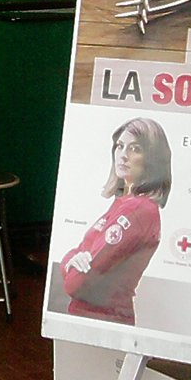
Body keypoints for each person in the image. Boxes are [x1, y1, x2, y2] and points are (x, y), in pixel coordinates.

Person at [60, 117, 171, 325]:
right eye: (120, 146)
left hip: (103, 321)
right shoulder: (122, 203)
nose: (123, 155)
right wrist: (70, 261)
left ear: (153, 158)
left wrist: (72, 265)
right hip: (89, 318)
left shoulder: (138, 210)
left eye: (135, 148)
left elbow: (76, 284)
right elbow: (78, 252)